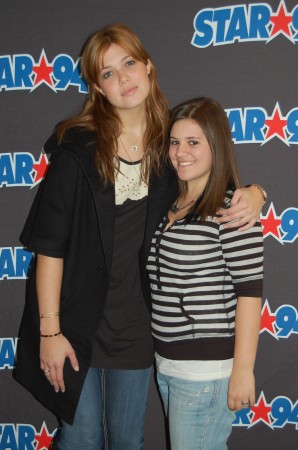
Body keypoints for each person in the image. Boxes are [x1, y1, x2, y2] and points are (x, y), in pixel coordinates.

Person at [14, 24, 265, 450]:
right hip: (74, 326)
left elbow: (213, 180)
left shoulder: (172, 147)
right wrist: (50, 333)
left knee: (129, 439)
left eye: (128, 63)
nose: (123, 78)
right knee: (81, 438)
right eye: (107, 73)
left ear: (148, 67)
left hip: (138, 331)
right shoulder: (76, 149)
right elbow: (49, 248)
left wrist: (256, 193)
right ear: (97, 87)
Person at [146, 97, 264, 450]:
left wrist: (243, 370)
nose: (181, 152)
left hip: (205, 374)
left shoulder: (231, 210)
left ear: (217, 146)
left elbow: (249, 295)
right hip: (168, 366)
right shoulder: (171, 203)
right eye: (175, 141)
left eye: (194, 142)